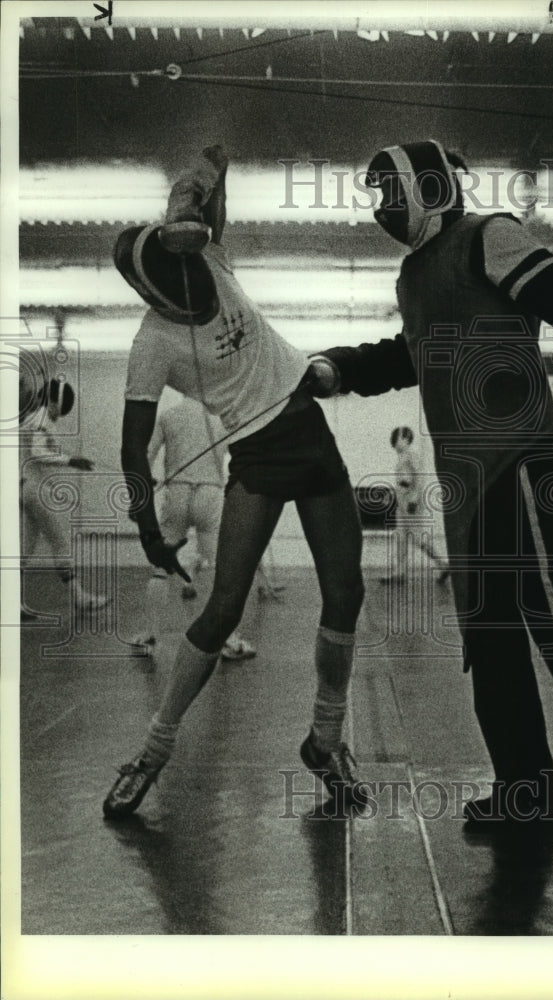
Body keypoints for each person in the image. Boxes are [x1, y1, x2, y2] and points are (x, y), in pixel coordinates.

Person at [309, 140, 553, 839]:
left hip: (516, 458)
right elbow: (407, 354)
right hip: (468, 482)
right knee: (490, 634)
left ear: (427, 186)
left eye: (391, 191)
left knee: (549, 613)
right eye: (373, 194)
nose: (380, 207)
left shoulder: (488, 234)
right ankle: (525, 793)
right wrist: (334, 370)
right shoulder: (413, 274)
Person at [103, 145, 366, 819]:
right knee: (222, 609)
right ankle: (152, 752)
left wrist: (206, 170)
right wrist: (142, 527)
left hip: (309, 431)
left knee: (346, 590)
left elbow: (214, 204)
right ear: (153, 293)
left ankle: (325, 741)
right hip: (253, 454)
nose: (195, 293)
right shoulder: (149, 344)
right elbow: (133, 446)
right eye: (178, 288)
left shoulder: (208, 259)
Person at [131, 394, 257, 661]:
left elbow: (144, 456)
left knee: (161, 569)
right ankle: (228, 641)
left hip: (176, 492)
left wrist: (144, 487)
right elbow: (245, 458)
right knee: (219, 569)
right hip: (210, 495)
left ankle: (148, 635)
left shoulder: (168, 416)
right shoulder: (223, 417)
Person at [19, 374, 110, 615]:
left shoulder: (32, 417)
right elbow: (39, 453)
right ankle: (80, 598)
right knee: (60, 541)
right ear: (55, 401)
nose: (63, 411)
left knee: (24, 549)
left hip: (26, 487)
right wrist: (70, 460)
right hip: (33, 488)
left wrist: (71, 459)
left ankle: (11, 602)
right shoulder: (40, 418)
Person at [382, 425, 449, 585]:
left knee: (418, 538)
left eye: (396, 439)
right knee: (400, 538)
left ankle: (443, 565)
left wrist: (413, 498)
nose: (394, 443)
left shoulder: (412, 455)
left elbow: (419, 478)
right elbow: (403, 481)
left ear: (405, 439)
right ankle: (400, 573)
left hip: (412, 504)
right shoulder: (402, 457)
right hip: (402, 503)